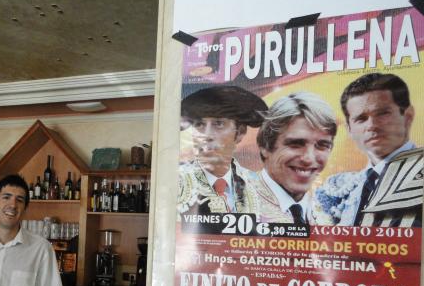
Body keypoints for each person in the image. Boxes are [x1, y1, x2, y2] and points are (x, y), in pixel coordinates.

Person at [315, 73, 422, 227]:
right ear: (350, 129)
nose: (372, 125)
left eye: (383, 113)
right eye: (361, 119)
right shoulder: (339, 190)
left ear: (408, 116)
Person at [177, 85, 267, 216]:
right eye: (199, 124)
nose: (207, 135)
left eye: (218, 124)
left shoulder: (259, 187)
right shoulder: (176, 183)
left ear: (240, 132)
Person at [252, 92, 337, 224]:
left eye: (322, 145)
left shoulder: (334, 212)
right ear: (265, 147)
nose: (309, 159)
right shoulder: (232, 203)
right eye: (296, 144)